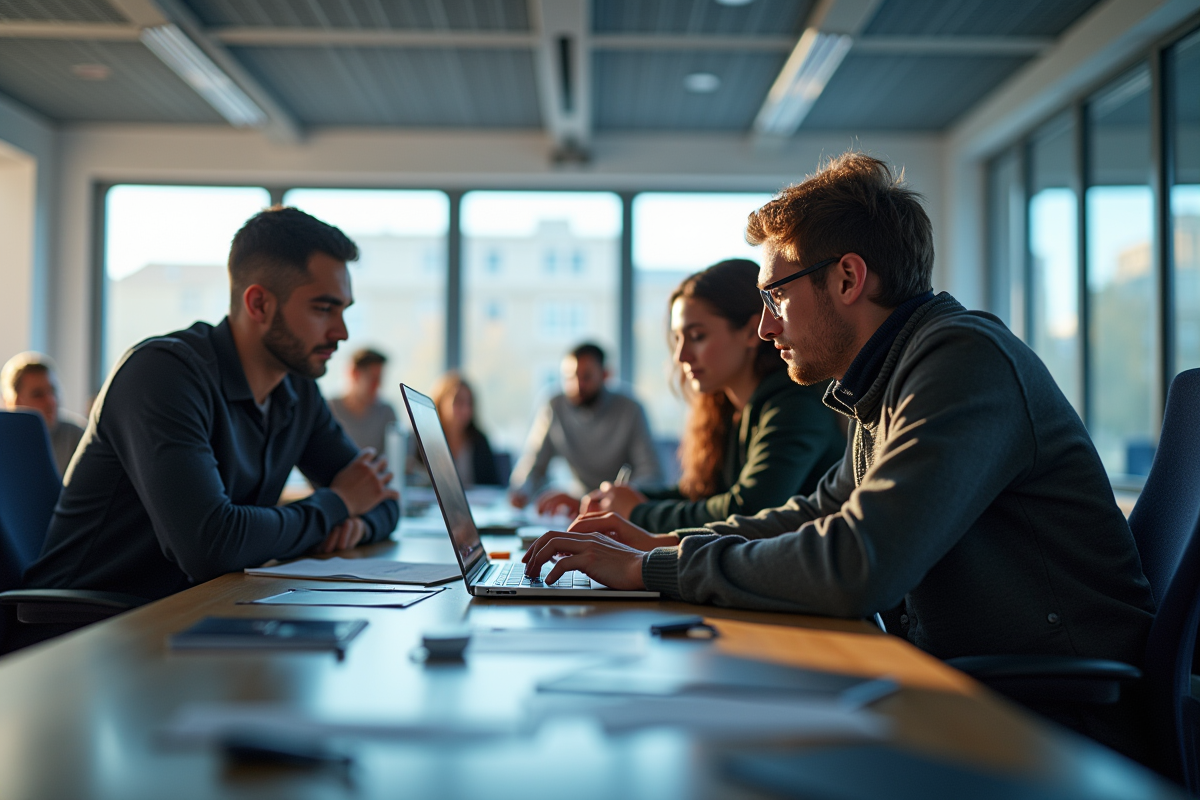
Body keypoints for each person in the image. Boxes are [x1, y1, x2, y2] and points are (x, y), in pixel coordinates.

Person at [523, 153, 1154, 756]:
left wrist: (654, 570)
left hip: (1058, 724)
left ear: (848, 278)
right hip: (967, 693)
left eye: (775, 296)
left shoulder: (964, 362)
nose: (767, 327)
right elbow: (812, 515)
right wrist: (652, 548)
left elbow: (859, 562)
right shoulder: (880, 385)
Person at [23, 206, 400, 603]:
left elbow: (381, 498)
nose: (340, 333)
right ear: (259, 305)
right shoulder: (163, 374)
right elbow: (211, 545)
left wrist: (357, 521)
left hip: (201, 611)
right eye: (324, 309)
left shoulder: (296, 389)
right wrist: (337, 505)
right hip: (85, 629)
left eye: (344, 311)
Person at [581, 259, 844, 532]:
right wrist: (611, 501)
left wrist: (637, 511)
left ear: (750, 332)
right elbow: (702, 496)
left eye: (697, 336)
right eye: (678, 339)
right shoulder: (727, 408)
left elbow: (747, 510)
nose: (681, 356)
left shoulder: (797, 406)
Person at [509, 342, 661, 515]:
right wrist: (521, 491)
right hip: (577, 508)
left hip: (621, 510)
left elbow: (651, 474)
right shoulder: (554, 406)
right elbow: (533, 463)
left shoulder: (631, 409)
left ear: (605, 375)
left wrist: (606, 499)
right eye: (570, 377)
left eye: (586, 377)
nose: (577, 385)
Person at [1, 352, 86, 476]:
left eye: (53, 391)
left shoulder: (78, 439)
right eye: (38, 395)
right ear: (14, 402)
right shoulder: (5, 441)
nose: (51, 401)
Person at [430, 371, 501, 488]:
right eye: (458, 402)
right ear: (440, 402)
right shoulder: (426, 439)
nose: (465, 410)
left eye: (469, 403)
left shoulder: (480, 441)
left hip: (475, 505)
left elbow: (493, 486)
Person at [329, 348, 399, 455]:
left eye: (380, 379)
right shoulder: (330, 409)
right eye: (373, 379)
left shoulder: (386, 412)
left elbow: (398, 453)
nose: (378, 386)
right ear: (354, 374)